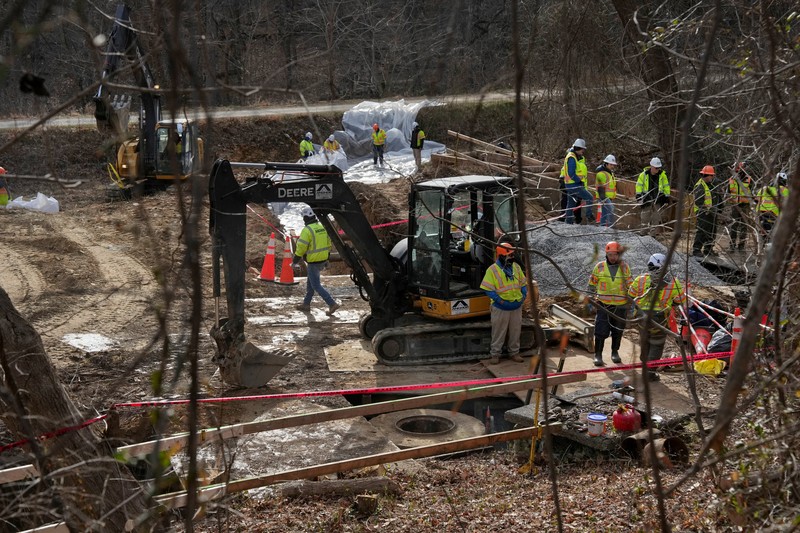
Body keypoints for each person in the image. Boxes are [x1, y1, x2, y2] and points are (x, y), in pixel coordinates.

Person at [628, 253, 687, 381]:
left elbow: (631, 294)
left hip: (641, 317)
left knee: (644, 340)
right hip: (659, 318)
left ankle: (645, 365)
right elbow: (680, 300)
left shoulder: (640, 279)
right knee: (656, 344)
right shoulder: (673, 282)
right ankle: (649, 372)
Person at [480, 242, 528, 364]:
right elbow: (487, 289)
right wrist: (500, 301)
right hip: (500, 308)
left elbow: (523, 283)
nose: (512, 257)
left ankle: (514, 353)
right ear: (501, 255)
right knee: (498, 332)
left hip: (516, 306)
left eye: (512, 255)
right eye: (509, 255)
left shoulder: (516, 267)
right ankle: (495, 354)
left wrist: (523, 295)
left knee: (515, 331)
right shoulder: (492, 270)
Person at [587, 241, 632, 366]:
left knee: (618, 330)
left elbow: (630, 286)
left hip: (621, 305)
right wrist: (590, 300)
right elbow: (591, 284)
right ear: (606, 254)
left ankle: (614, 352)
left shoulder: (625, 267)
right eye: (610, 254)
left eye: (615, 254)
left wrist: (632, 303)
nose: (613, 257)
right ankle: (598, 355)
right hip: (604, 305)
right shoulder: (599, 267)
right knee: (600, 330)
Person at [293, 207, 341, 315]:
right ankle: (306, 304)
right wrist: (327, 257)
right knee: (311, 284)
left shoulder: (307, 230)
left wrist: (295, 261)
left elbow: (301, 247)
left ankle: (332, 303)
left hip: (314, 261)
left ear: (305, 218)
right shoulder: (322, 227)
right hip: (322, 259)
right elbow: (328, 242)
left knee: (316, 285)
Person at [560, 138, 594, 224]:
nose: (583, 151)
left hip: (569, 185)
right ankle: (589, 215)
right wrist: (579, 181)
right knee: (589, 197)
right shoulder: (572, 158)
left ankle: (569, 221)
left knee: (571, 203)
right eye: (582, 149)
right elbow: (571, 173)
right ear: (578, 148)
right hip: (574, 185)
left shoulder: (573, 156)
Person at [635, 157, 671, 236]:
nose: (658, 169)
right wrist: (639, 196)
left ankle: (653, 235)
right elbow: (639, 186)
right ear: (651, 166)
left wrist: (666, 197)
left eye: (659, 168)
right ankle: (643, 233)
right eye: (656, 168)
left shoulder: (662, 175)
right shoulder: (643, 175)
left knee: (656, 218)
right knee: (645, 217)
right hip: (646, 199)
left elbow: (666, 186)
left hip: (658, 200)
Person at [692, 165, 719, 257]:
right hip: (703, 212)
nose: (712, 177)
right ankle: (696, 249)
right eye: (711, 175)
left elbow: (716, 198)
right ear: (707, 175)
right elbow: (698, 201)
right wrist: (707, 210)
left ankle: (708, 249)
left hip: (711, 212)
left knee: (711, 231)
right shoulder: (700, 186)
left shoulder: (710, 185)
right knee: (702, 231)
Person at [728, 162, 753, 251]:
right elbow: (728, 192)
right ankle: (732, 245)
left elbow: (752, 193)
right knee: (734, 225)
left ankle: (741, 246)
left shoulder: (749, 179)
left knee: (744, 226)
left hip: (745, 205)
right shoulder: (731, 179)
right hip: (735, 206)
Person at [756, 171, 789, 238]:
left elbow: (756, 200)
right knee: (772, 233)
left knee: (763, 232)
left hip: (760, 213)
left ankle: (762, 246)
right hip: (773, 214)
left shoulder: (765, 188)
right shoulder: (784, 190)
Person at [594, 154, 619, 227]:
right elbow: (600, 186)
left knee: (604, 213)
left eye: (613, 165)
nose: (612, 166)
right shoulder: (601, 173)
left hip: (607, 196)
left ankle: (602, 227)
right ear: (606, 163)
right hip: (604, 197)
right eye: (611, 164)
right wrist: (603, 198)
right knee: (611, 210)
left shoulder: (609, 172)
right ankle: (611, 227)